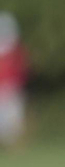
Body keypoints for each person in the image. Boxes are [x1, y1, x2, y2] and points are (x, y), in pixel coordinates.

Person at [0, 12, 27, 150]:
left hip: (11, 91)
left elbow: (22, 71)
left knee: (13, 130)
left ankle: (14, 153)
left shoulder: (16, 51)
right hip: (5, 92)